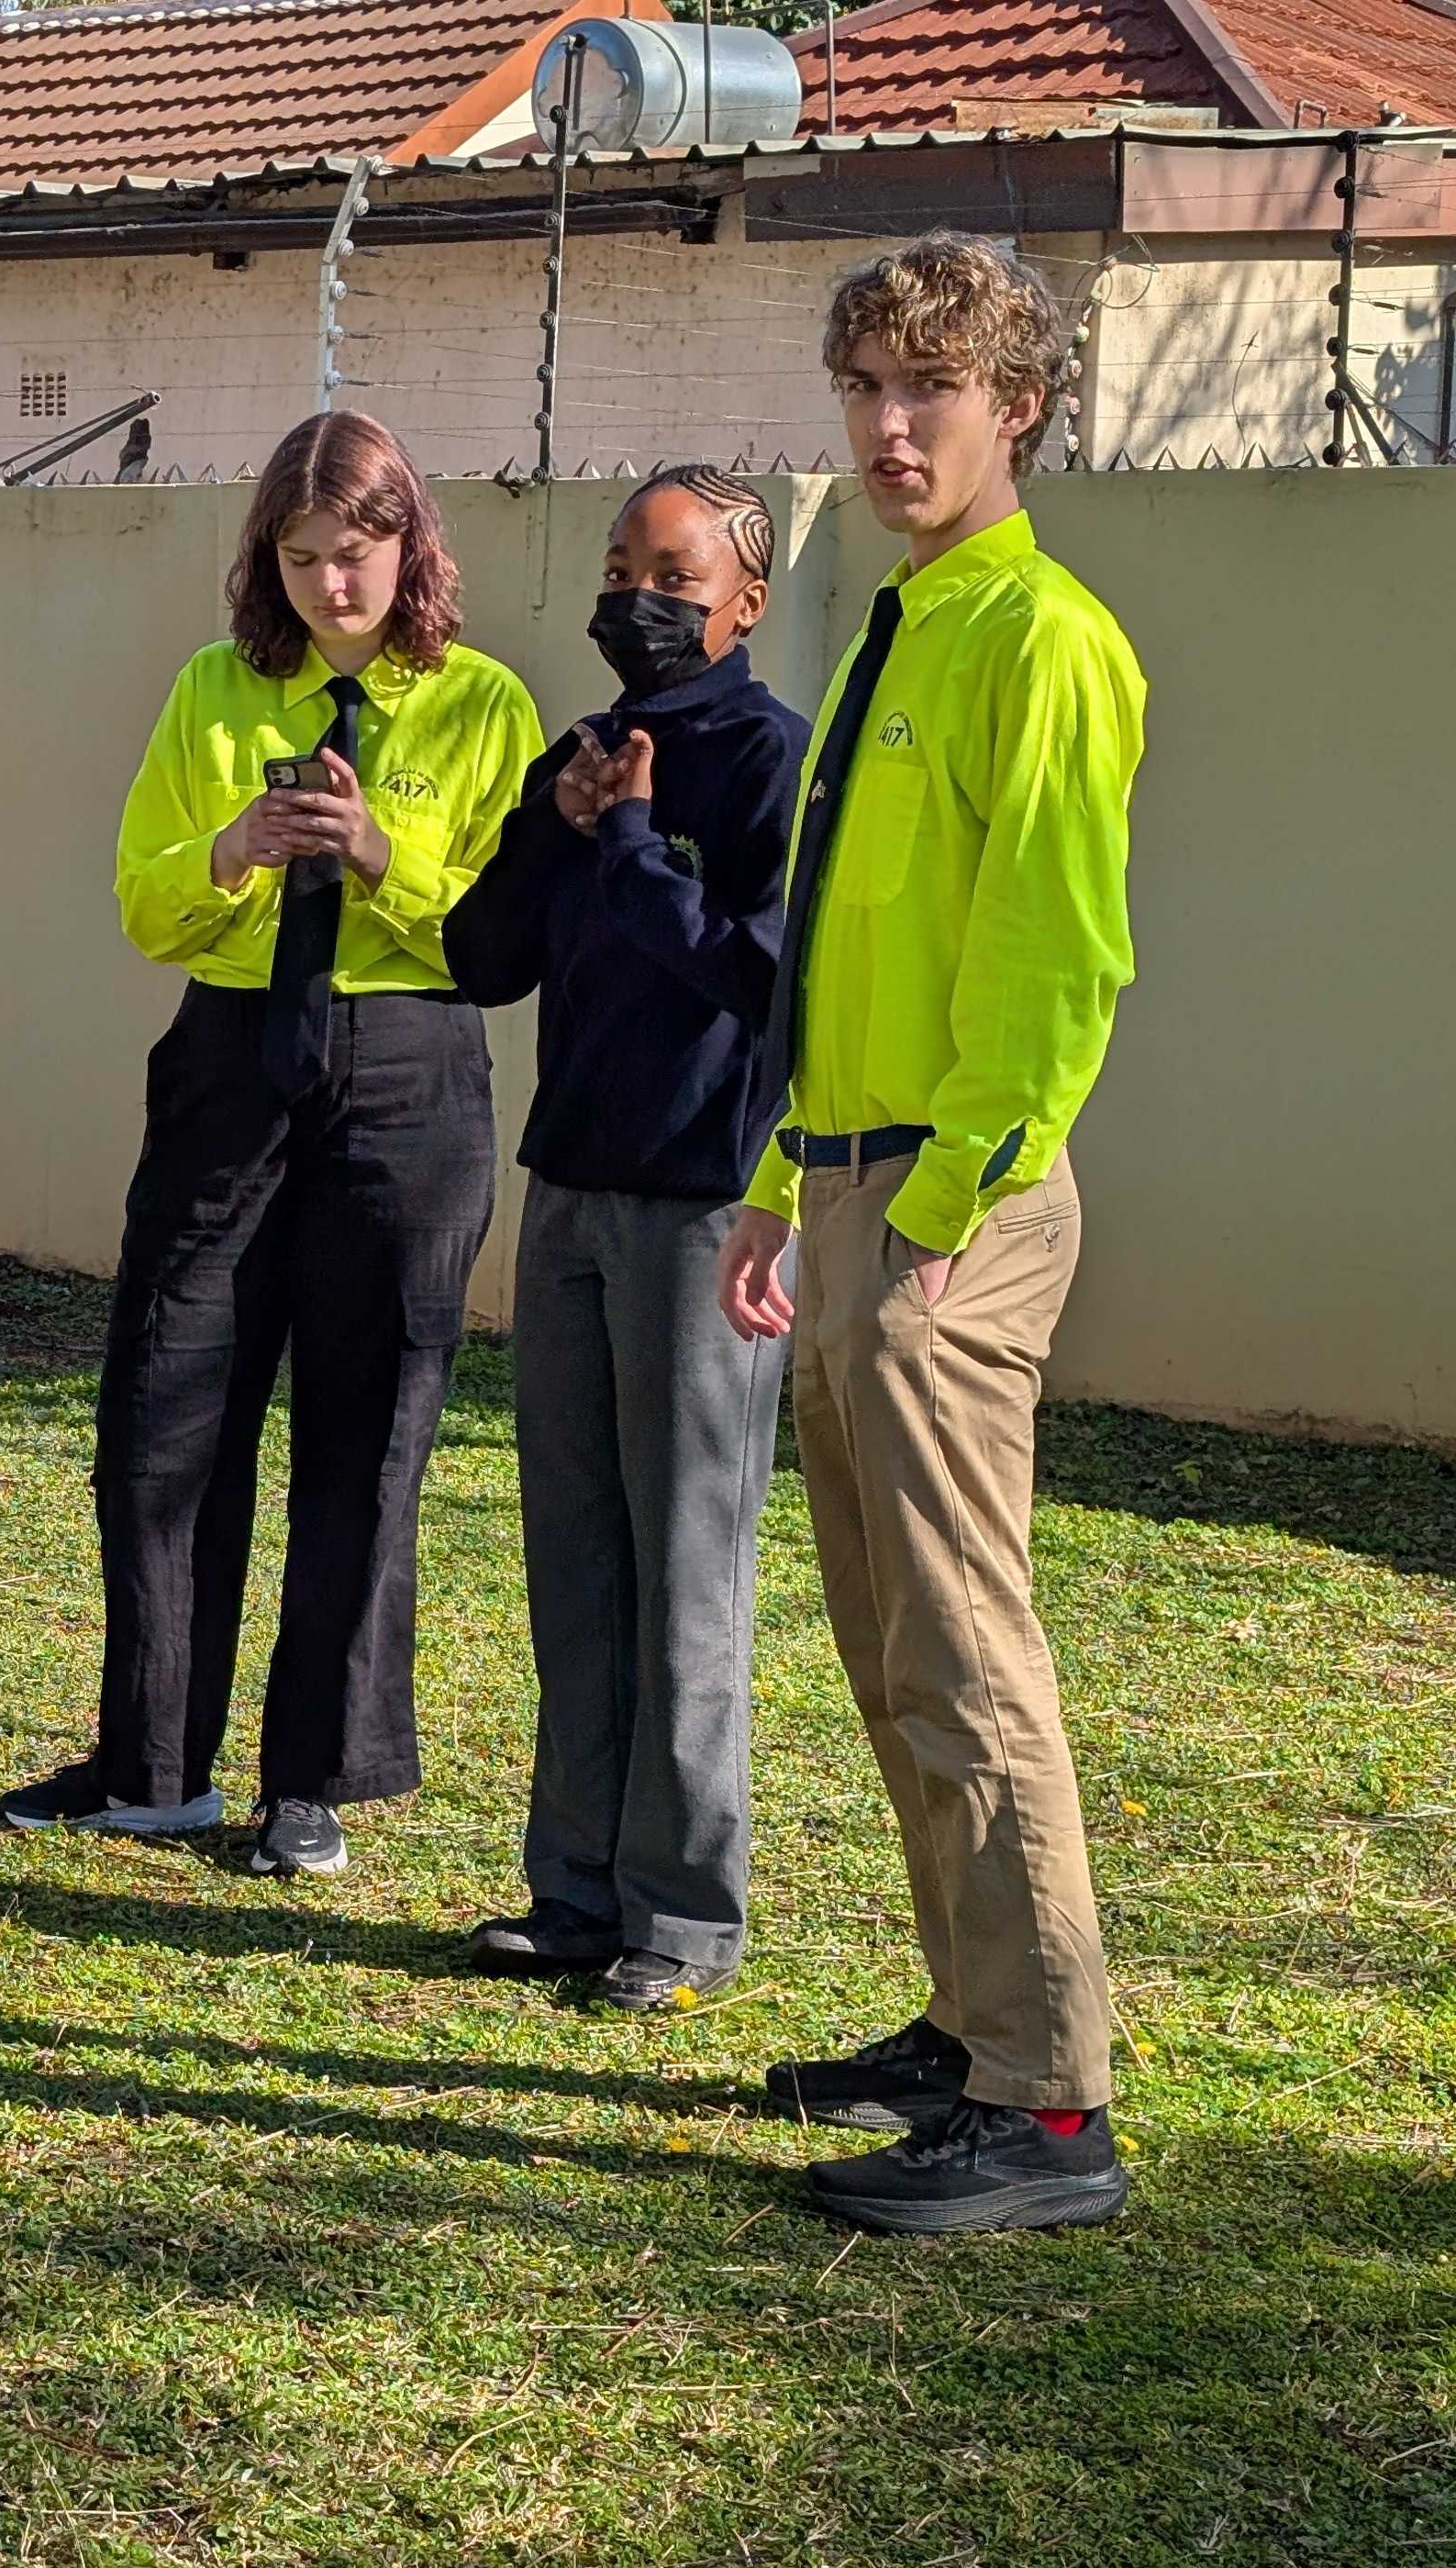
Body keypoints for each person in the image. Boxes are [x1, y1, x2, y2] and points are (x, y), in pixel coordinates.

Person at [717, 235, 1148, 2234]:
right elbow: (846, 953)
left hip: (944, 1208)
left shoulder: (1042, 639)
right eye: (868, 390)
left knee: (968, 1652)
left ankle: (1049, 2114)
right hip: (850, 1186)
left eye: (933, 393)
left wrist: (945, 1205)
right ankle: (976, 2031)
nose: (892, 429)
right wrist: (781, 1185)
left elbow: (1057, 968)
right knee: (895, 1646)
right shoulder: (906, 622)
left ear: (1017, 410)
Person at [0, 411, 540, 1879]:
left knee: (367, 1424)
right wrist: (236, 850)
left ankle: (313, 1780)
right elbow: (146, 899)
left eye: (355, 556)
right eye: (300, 561)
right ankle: (151, 1763)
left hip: (409, 1070)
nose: (331, 588)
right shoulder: (215, 689)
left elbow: (508, 934)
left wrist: (377, 854)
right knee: (165, 1405)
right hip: (233, 1057)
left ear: (409, 547)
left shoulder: (483, 704)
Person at [444, 466, 808, 2014]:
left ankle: (684, 1916)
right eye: (617, 569)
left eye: (671, 576)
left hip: (702, 1208)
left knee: (688, 1570)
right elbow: (481, 957)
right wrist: (561, 823)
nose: (634, 600)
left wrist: (644, 841)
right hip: (572, 1195)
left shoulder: (773, 761)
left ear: (745, 600)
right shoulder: (581, 757)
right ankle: (575, 1892)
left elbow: (761, 981)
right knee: (578, 1559)